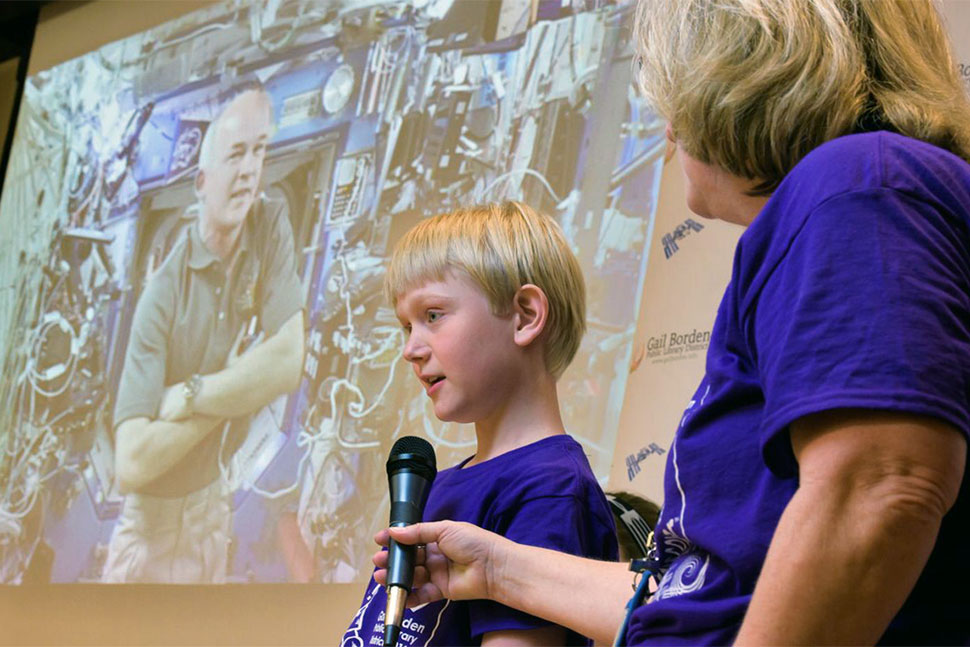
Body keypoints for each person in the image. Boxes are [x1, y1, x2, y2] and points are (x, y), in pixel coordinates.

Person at [370, 1, 970, 644]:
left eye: (673, 98)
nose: (666, 131)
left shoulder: (855, 184)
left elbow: (878, 489)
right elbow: (700, 597)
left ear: (737, 76)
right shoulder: (847, 196)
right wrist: (495, 568)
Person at [341, 202, 618, 646]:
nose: (410, 349)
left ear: (526, 315)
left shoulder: (549, 488)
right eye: (405, 326)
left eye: (432, 315)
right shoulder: (444, 485)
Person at [102, 86, 305, 583]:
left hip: (212, 514)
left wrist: (196, 395)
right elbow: (130, 463)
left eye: (259, 151)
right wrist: (239, 386)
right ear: (201, 180)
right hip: (148, 535)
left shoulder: (268, 221)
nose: (250, 170)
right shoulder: (162, 295)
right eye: (236, 155)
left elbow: (287, 360)